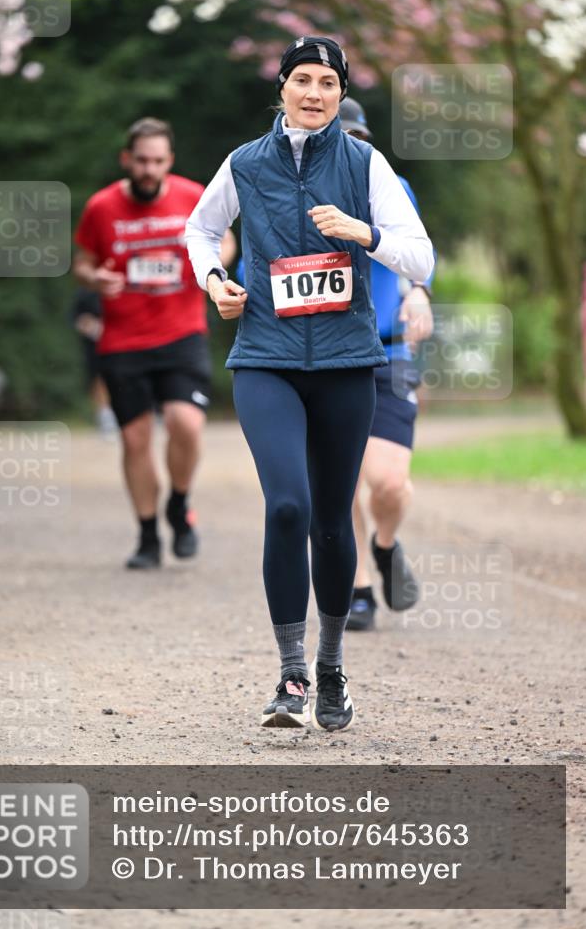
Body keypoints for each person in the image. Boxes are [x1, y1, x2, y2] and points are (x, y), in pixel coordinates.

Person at [186, 37, 434, 732]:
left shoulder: (365, 163)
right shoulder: (245, 163)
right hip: (264, 356)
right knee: (287, 507)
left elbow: (419, 252)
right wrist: (214, 282)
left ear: (338, 91)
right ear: (283, 87)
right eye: (303, 79)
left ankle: (331, 671)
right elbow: (199, 229)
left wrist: (363, 231)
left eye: (328, 82)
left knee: (330, 519)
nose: (315, 92)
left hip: (347, 364)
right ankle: (290, 674)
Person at [73, 117, 236, 569]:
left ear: (170, 162)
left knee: (186, 423)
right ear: (127, 160)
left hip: (181, 332)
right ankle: (147, 536)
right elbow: (82, 263)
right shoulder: (101, 207)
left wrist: (212, 263)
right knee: (135, 438)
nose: (149, 169)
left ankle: (178, 505)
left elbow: (227, 241)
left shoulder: (192, 196)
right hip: (123, 340)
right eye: (141, 160)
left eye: (157, 161)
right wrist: (95, 278)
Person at [337, 97, 435, 631]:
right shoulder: (293, 193)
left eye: (360, 140)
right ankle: (358, 590)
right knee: (342, 477)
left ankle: (385, 545)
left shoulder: (391, 187)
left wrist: (419, 292)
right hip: (326, 353)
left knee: (389, 483)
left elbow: (418, 255)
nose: (354, 149)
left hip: (388, 350)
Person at [71, 288, 117, 438]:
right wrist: (94, 328)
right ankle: (105, 417)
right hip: (95, 345)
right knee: (98, 380)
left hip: (121, 344)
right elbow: (77, 318)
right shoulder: (86, 294)